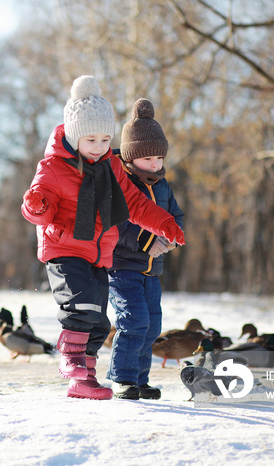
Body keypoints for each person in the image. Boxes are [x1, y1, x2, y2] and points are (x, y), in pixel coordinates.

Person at [21, 76, 185, 400]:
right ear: (74, 135)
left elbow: (136, 204)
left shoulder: (111, 166)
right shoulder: (54, 166)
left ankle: (85, 380)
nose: (99, 146)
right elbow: (39, 205)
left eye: (105, 139)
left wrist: (163, 222)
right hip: (65, 247)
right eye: (91, 139)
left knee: (98, 318)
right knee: (80, 303)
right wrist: (36, 206)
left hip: (99, 253)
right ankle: (70, 359)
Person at [106, 98, 184, 400]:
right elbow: (117, 225)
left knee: (151, 326)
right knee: (133, 321)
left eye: (159, 159)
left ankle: (139, 378)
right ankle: (121, 378)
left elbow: (174, 215)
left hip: (152, 271)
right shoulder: (122, 184)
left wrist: (174, 235)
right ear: (130, 157)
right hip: (123, 266)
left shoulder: (162, 185)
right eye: (147, 159)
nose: (155, 165)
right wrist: (147, 241)